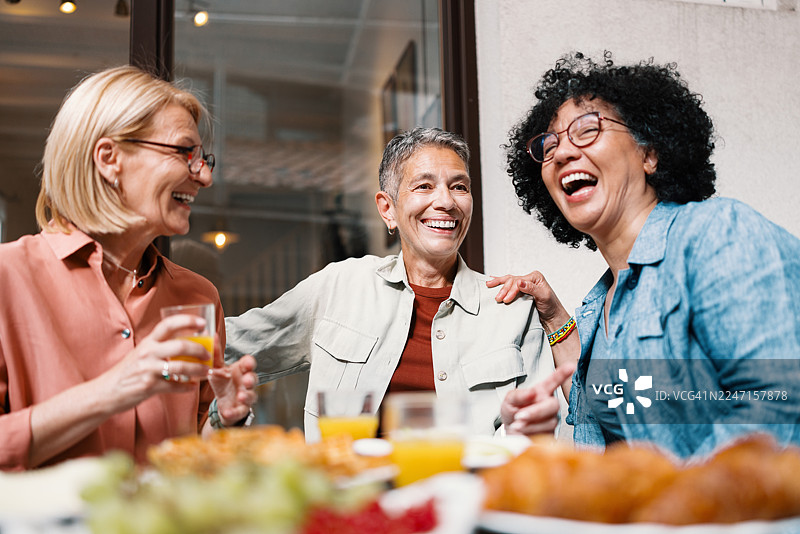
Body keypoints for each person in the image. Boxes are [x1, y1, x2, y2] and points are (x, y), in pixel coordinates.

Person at [502, 52, 800, 458]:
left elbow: (779, 406)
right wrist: (541, 425)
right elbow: (622, 426)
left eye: (588, 129)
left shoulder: (718, 235)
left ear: (649, 154)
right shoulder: (597, 306)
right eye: (549, 143)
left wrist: (667, 509)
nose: (563, 153)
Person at [225, 127, 572, 441]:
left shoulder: (512, 307)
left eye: (459, 186)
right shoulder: (339, 286)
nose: (446, 202)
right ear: (387, 209)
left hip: (466, 502)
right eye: (424, 186)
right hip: (350, 500)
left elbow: (534, 437)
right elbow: (224, 349)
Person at [0, 66, 257, 471]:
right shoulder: (8, 278)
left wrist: (225, 417)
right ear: (109, 158)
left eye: (203, 157)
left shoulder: (197, 295)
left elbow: (192, 455)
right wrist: (112, 390)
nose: (204, 175)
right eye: (184, 152)